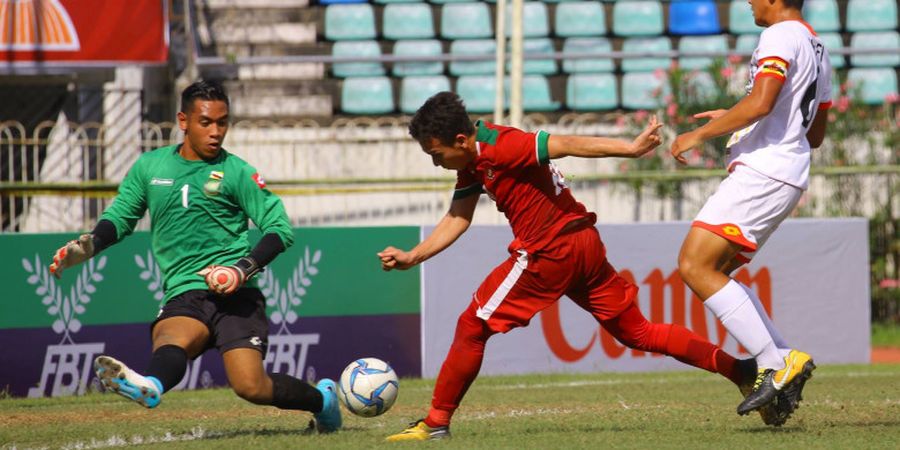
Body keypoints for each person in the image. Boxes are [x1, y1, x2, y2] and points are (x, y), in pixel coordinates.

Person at [378, 92, 768, 442]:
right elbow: (458, 217)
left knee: (472, 325)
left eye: (436, 154)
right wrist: (415, 256)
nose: (435, 163)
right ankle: (741, 371)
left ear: (460, 141)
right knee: (638, 332)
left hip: (550, 252)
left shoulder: (503, 145)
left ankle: (435, 423)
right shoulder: (471, 163)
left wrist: (629, 150)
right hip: (584, 245)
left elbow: (565, 143)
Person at [48, 80, 341, 433]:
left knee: (251, 386)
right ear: (183, 121)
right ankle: (151, 386)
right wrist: (91, 244)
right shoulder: (150, 167)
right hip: (186, 291)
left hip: (237, 297)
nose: (216, 132)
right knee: (172, 341)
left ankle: (323, 402)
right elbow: (121, 217)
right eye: (206, 122)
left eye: (223, 122)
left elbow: (280, 229)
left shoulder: (238, 172)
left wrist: (241, 269)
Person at [669, 0, 831, 419]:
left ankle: (775, 363)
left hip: (764, 171)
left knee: (693, 264)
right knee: (712, 271)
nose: (748, 2)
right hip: (788, 172)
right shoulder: (816, 46)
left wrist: (698, 134)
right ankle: (779, 359)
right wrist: (743, 117)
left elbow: (761, 102)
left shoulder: (778, 35)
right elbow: (813, 133)